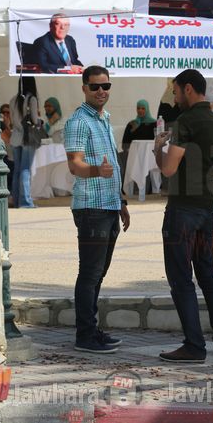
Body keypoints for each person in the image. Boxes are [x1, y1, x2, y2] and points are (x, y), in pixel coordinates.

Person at [153, 69, 213, 363]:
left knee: (181, 278)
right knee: (208, 274)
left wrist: (158, 149)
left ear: (188, 89)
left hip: (183, 208)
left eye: (175, 91)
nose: (174, 98)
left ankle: (194, 346)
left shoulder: (184, 121)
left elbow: (168, 169)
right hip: (207, 207)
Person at [64, 65, 131, 354]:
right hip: (91, 206)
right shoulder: (78, 122)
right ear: (84, 89)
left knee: (98, 273)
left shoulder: (104, 119)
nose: (101, 91)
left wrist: (121, 201)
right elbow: (75, 165)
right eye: (95, 86)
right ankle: (85, 335)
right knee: (90, 273)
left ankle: (92, 329)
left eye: (106, 86)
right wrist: (96, 172)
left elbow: (112, 164)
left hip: (108, 205)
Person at [9, 77, 41, 208]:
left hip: (15, 137)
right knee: (25, 169)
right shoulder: (32, 99)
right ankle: (25, 201)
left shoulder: (13, 100)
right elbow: (34, 119)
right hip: (28, 138)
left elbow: (12, 120)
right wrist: (39, 122)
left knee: (17, 170)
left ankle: (16, 200)